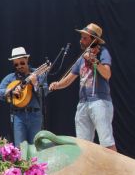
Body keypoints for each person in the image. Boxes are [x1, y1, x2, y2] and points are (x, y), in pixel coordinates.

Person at [49, 23, 116, 151]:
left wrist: (94, 61)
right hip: (83, 103)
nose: (81, 40)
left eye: (85, 38)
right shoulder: (81, 59)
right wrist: (57, 85)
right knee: (82, 144)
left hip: (100, 101)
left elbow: (107, 74)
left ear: (94, 40)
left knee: (106, 141)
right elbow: (69, 79)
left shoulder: (102, 52)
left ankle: (116, 171)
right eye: (81, 37)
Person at [0, 47, 48, 147]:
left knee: (36, 147)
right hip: (18, 116)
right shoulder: (11, 78)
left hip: (35, 115)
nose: (19, 66)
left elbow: (45, 91)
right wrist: (11, 91)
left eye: (22, 63)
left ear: (27, 59)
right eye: (16, 64)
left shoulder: (38, 74)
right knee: (20, 148)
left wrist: (35, 83)